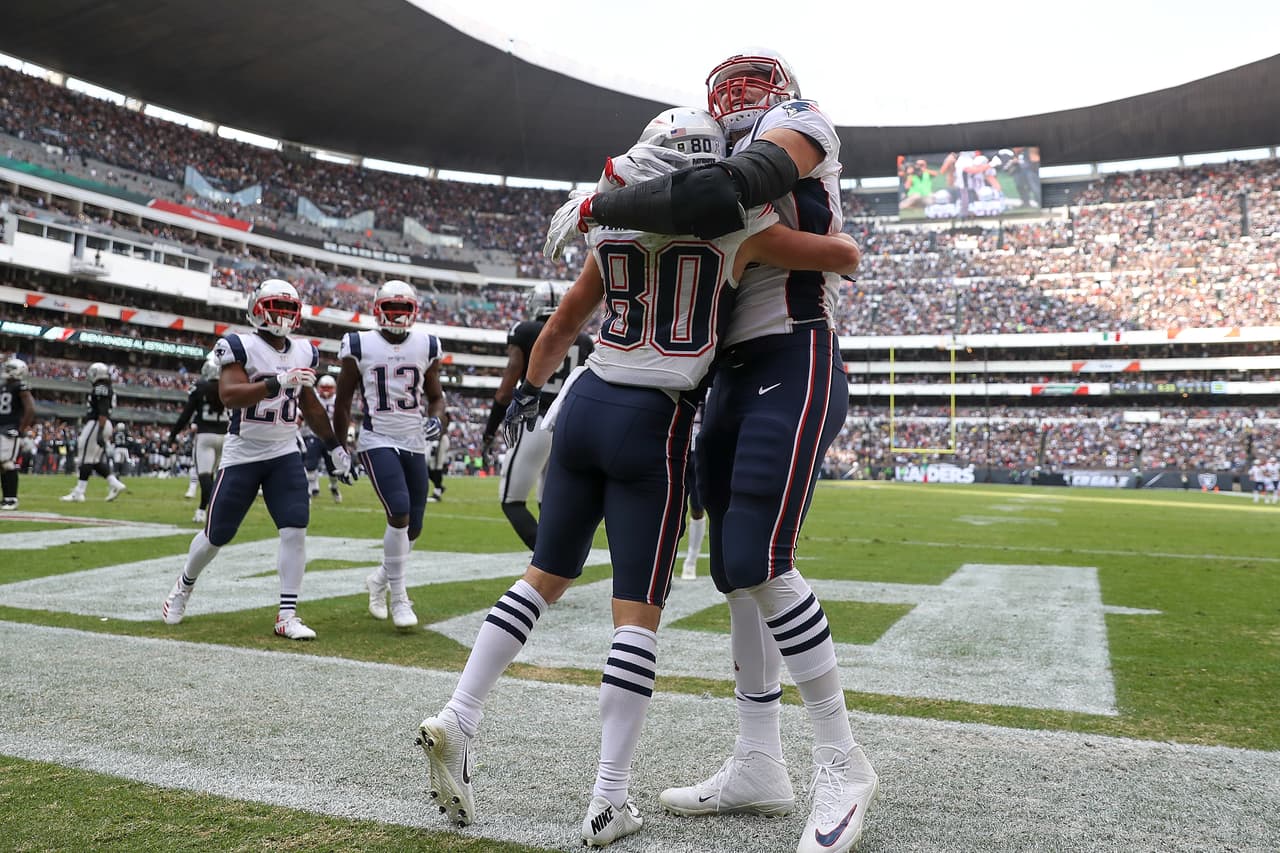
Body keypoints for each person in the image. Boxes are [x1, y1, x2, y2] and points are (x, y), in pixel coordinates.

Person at [418, 107, 860, 849]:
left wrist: (528, 398)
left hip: (585, 400)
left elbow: (556, 334)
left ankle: (461, 713)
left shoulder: (607, 227)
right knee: (636, 616)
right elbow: (839, 254)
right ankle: (606, 799)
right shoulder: (731, 225)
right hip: (653, 420)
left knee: (541, 576)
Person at [545, 48, 879, 853]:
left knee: (760, 557)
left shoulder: (797, 125)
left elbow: (718, 193)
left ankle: (842, 760)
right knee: (734, 569)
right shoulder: (702, 151)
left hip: (792, 349)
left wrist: (600, 204)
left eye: (755, 78)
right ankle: (759, 759)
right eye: (726, 82)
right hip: (726, 373)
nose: (740, 91)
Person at [160, 279, 351, 640]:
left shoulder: (305, 351)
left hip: (283, 451)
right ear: (256, 309)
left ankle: (287, 615)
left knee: (295, 529)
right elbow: (230, 395)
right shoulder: (238, 345)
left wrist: (335, 447)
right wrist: (277, 382)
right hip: (243, 453)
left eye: (287, 309)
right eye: (273, 307)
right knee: (217, 534)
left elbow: (310, 407)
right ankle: (184, 585)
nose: (280, 316)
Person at [333, 280, 447, 630]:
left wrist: (437, 420)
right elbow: (343, 402)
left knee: (414, 527)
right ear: (378, 310)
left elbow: (436, 397)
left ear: (413, 312)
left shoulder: (427, 344)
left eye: (404, 309)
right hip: (377, 437)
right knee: (398, 510)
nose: (397, 316)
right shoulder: (358, 344)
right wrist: (341, 448)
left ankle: (379, 579)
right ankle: (399, 598)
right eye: (391, 309)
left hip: (413, 440)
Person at [480, 282, 595, 549]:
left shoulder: (526, 331)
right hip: (568, 424)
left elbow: (506, 389)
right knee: (549, 501)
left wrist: (490, 431)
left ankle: (547, 561)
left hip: (536, 421)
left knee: (511, 500)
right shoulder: (584, 339)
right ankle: (556, 561)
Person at [169, 356, 230, 523]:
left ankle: (215, 510)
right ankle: (202, 511)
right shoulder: (228, 386)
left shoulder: (200, 387)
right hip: (225, 435)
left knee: (204, 476)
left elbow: (186, 415)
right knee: (213, 476)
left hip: (205, 435)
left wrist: (173, 434)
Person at [61, 361, 129, 503]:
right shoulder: (105, 387)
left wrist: (99, 431)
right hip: (102, 423)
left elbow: (102, 410)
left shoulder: (101, 387)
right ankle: (115, 484)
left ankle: (79, 492)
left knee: (85, 457)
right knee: (94, 460)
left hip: (98, 423)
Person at [1, 357, 36, 509]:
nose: (7, 371)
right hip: (2, 428)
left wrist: (21, 429)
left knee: (8, 463)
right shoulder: (3, 386)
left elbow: (30, 409)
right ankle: (6, 498)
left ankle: (11, 499)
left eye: (10, 368)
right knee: (2, 464)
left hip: (10, 429)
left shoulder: (20, 387)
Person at [303, 374, 344, 503]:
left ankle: (334, 487)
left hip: (330, 438)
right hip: (314, 435)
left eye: (329, 388)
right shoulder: (313, 397)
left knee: (332, 468)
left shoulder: (338, 400)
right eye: (323, 387)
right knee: (310, 465)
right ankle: (310, 491)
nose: (326, 391)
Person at [680, 403, 707, 580]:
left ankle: (691, 560)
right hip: (678, 447)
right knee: (672, 508)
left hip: (700, 452)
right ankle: (666, 558)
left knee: (697, 507)